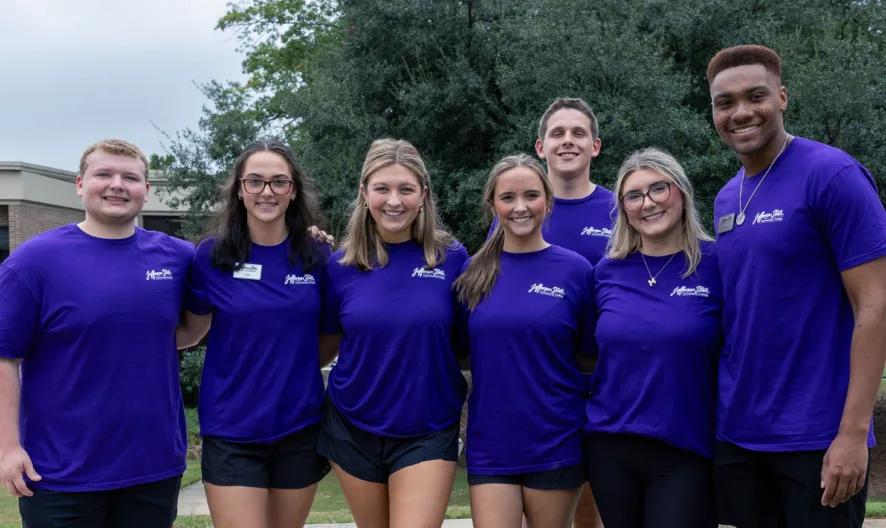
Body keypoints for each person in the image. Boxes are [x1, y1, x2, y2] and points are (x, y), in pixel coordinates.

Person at [707, 44, 886, 527]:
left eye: (756, 96)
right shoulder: (726, 197)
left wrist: (852, 433)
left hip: (816, 437)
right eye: (725, 103)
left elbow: (875, 304)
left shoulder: (833, 175)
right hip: (739, 437)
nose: (741, 112)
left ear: (782, 98)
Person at [0, 139, 193, 527]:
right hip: (59, 471)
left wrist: (311, 241)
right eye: (103, 174)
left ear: (147, 190)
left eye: (130, 177)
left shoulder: (179, 258)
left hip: (152, 465)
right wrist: (7, 447)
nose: (117, 185)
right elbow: (5, 357)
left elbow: (190, 327)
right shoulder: (34, 261)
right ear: (80, 184)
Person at [175, 140, 334, 528]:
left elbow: (332, 336)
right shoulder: (211, 257)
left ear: (293, 189)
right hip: (231, 428)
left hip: (299, 426)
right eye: (256, 181)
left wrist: (289, 368)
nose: (267, 191)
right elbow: (191, 333)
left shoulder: (317, 256)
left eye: (279, 181)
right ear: (239, 189)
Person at [318, 138, 469, 528]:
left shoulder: (452, 258)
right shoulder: (339, 265)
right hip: (352, 425)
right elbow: (328, 340)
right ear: (364, 192)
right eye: (382, 188)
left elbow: (468, 344)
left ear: (424, 195)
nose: (394, 201)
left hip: (428, 427)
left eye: (405, 189)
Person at [489, 97, 614, 528]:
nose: (567, 141)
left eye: (578, 133)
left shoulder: (621, 212)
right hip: (533, 392)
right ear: (540, 147)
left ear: (595, 146)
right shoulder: (513, 212)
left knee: (590, 511)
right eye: (557, 133)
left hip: (609, 383)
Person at [455, 154, 596, 528]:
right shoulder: (471, 273)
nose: (520, 207)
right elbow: (463, 353)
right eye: (508, 197)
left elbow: (588, 359)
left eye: (531, 196)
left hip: (556, 439)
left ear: (548, 201)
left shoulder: (576, 270)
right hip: (491, 441)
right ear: (492, 205)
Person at [584, 148, 721, 527]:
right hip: (610, 446)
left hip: (686, 447)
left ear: (681, 192)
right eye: (634, 195)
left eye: (658, 188)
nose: (648, 203)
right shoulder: (605, 272)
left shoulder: (718, 265)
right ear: (623, 207)